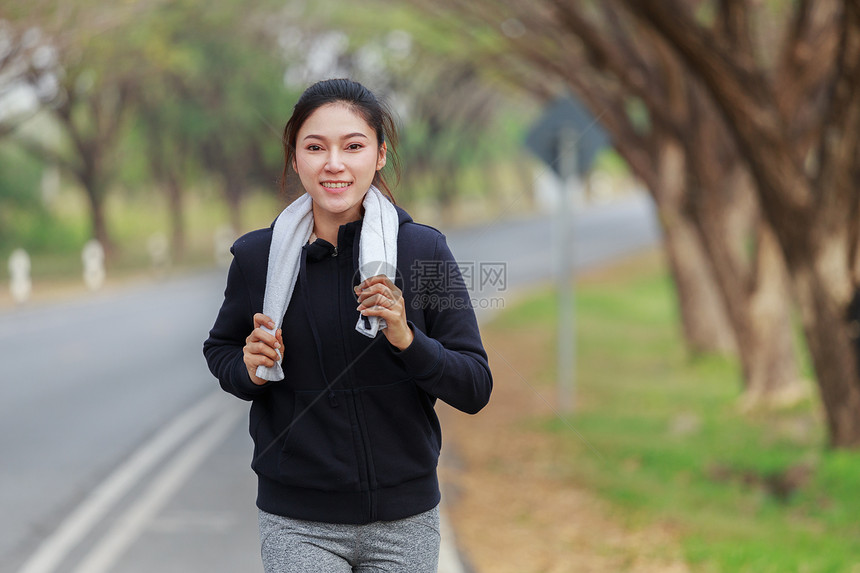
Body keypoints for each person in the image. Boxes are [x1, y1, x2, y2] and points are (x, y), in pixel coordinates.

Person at [203, 78, 492, 573]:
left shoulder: (423, 253)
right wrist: (247, 367)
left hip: (405, 521)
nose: (333, 163)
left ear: (379, 155)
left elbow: (474, 385)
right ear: (296, 159)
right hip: (297, 520)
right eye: (315, 147)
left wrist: (406, 336)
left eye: (353, 146)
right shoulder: (257, 258)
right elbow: (223, 350)